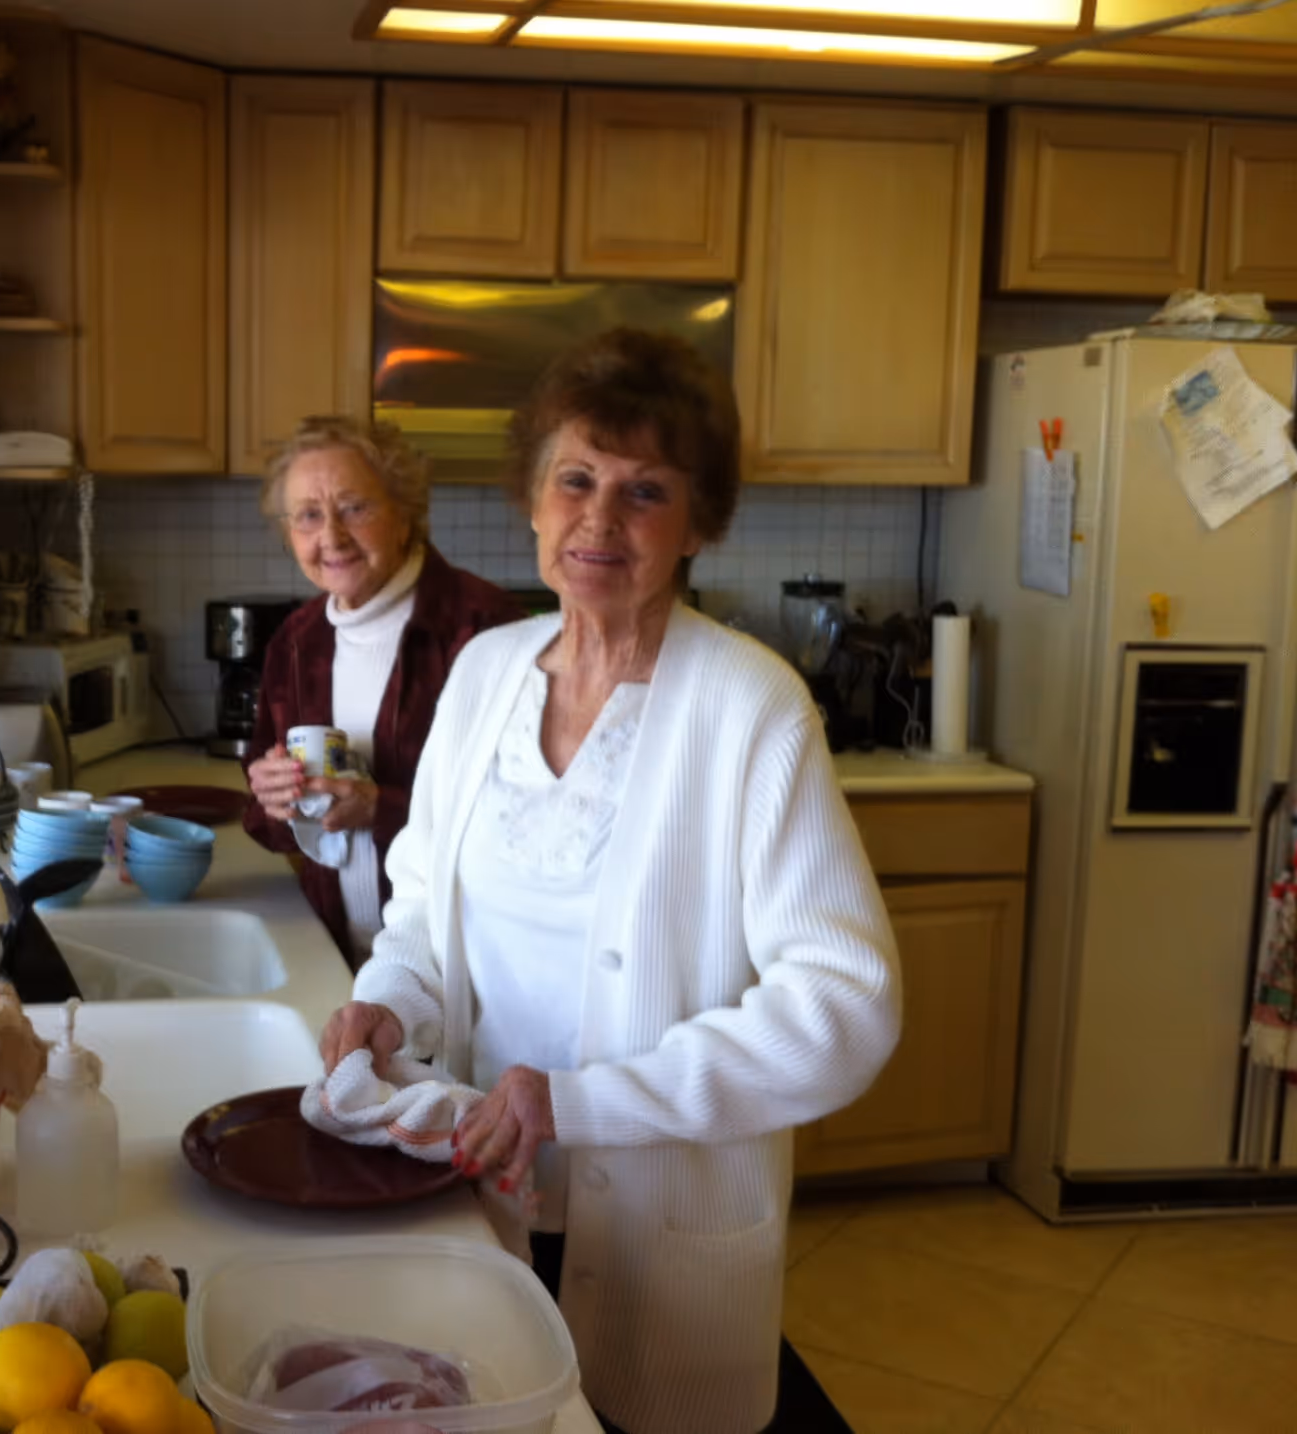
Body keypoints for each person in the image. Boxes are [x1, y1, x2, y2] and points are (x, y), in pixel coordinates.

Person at [319, 331, 901, 1434]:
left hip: (662, 1236)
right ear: (533, 502)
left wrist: (581, 1105)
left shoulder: (751, 706)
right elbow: (419, 916)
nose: (600, 519)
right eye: (575, 480)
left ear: (698, 524)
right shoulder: (486, 673)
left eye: (646, 492)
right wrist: (389, 1007)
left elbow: (844, 1007)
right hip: (479, 1199)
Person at [243, 416, 521, 968]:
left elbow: (529, 820)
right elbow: (269, 823)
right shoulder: (297, 642)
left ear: (404, 513)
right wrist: (271, 798)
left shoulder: (486, 630)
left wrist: (384, 809)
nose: (331, 536)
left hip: (466, 966)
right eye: (308, 515)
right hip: (339, 955)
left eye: (354, 508)